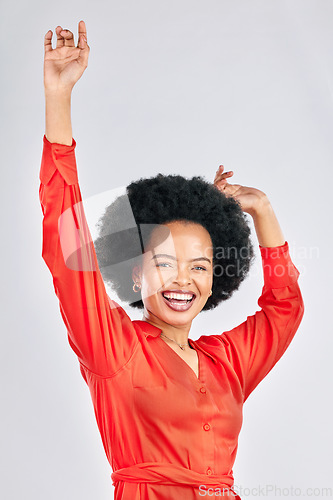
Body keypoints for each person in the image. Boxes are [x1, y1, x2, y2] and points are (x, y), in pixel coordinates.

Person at [40, 20, 304, 500]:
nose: (183, 280)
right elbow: (66, 248)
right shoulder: (115, 349)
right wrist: (59, 100)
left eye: (199, 266)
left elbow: (285, 309)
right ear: (137, 273)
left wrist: (263, 210)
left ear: (213, 281)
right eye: (165, 263)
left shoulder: (228, 362)